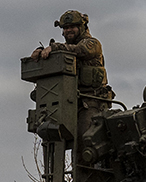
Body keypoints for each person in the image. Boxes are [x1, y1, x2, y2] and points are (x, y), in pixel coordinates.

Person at [30, 10, 113, 158]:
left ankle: (86, 178)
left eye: (72, 27)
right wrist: (42, 52)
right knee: (52, 138)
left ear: (82, 27)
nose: (68, 30)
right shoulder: (63, 52)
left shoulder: (92, 44)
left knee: (85, 140)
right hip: (70, 104)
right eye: (65, 28)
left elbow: (79, 50)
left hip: (92, 103)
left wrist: (54, 48)